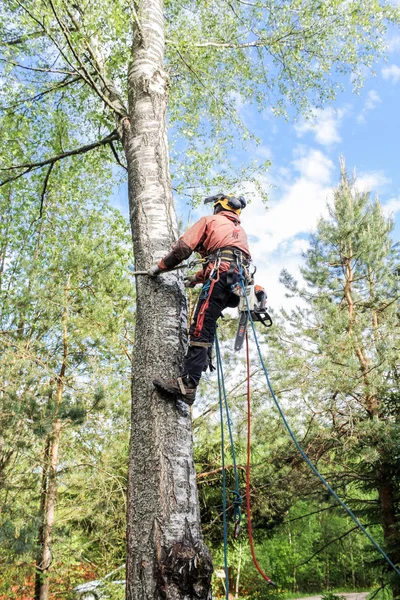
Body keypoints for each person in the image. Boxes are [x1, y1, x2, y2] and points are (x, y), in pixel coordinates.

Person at [148, 193, 251, 405]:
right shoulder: (239, 231)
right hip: (235, 283)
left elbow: (184, 248)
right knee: (206, 327)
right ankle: (194, 372)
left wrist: (160, 267)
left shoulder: (210, 221)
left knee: (200, 328)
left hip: (220, 280)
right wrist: (195, 278)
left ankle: (188, 384)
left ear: (218, 208)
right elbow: (226, 261)